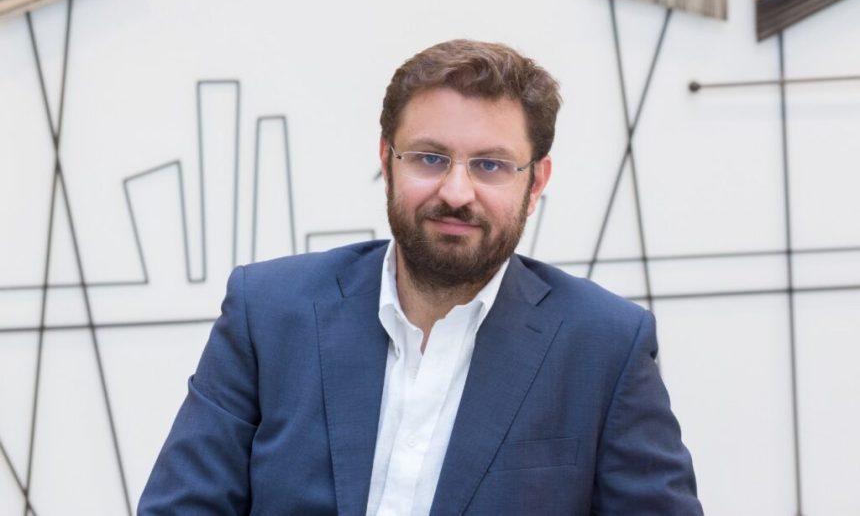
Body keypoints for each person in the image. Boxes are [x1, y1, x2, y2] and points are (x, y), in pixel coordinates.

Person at [139, 39, 703, 515]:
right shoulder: (267, 311)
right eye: (430, 158)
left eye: (490, 165)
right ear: (387, 161)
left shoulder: (606, 346)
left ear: (535, 183)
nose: (456, 192)